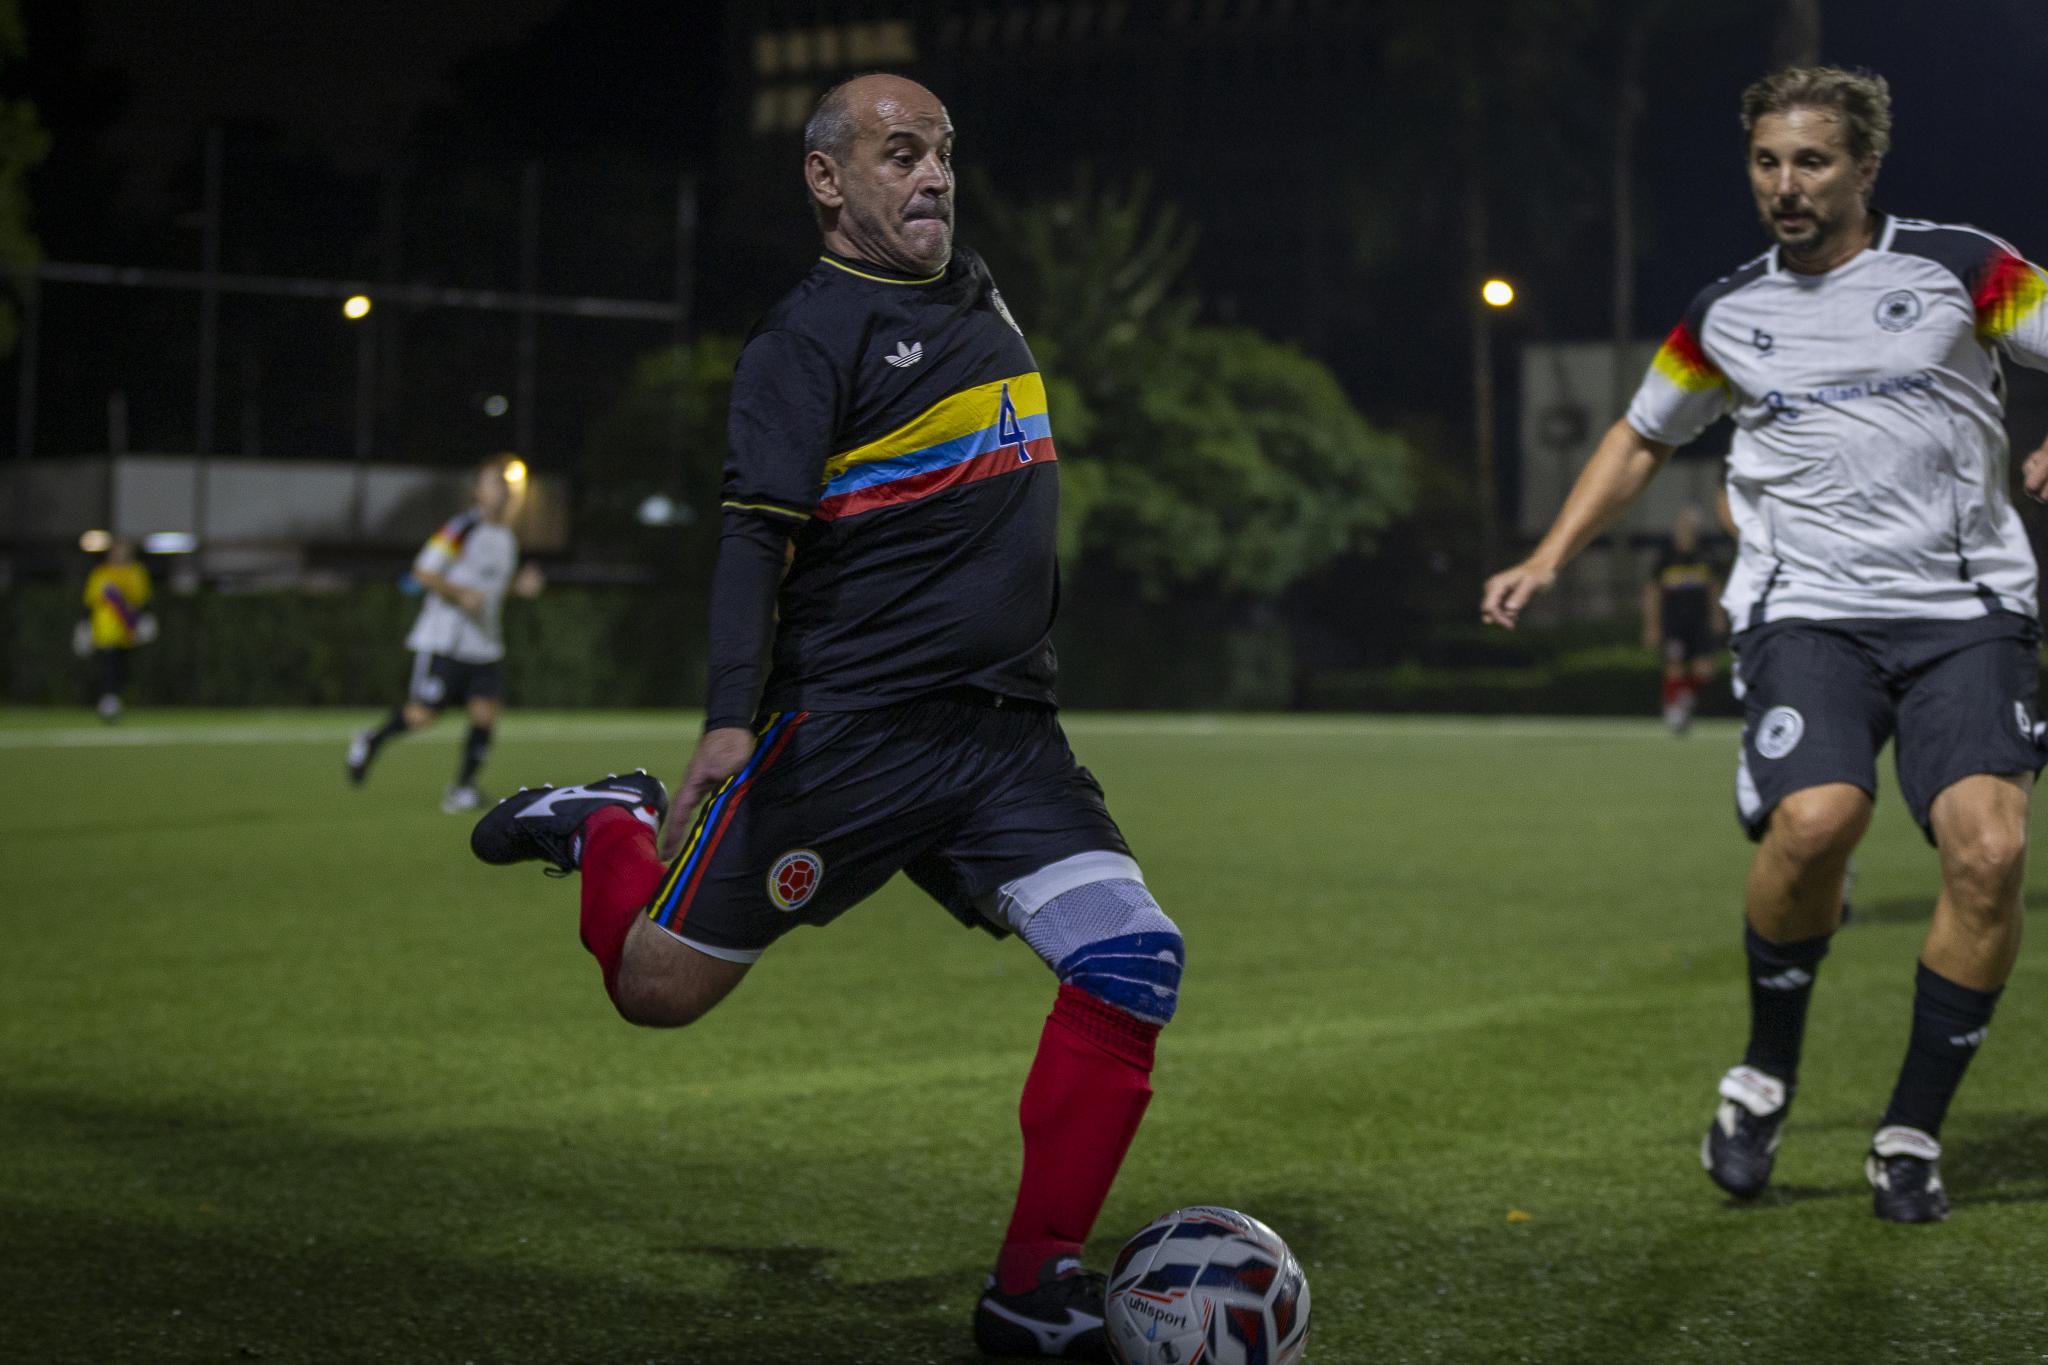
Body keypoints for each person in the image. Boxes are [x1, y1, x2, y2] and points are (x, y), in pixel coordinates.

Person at [469, 75, 1179, 1359]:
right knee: (655, 991)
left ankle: (1031, 1290)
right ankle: (608, 823)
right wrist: (726, 720)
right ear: (824, 178)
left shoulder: (975, 289)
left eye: (942, 153)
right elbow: (754, 539)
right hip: (847, 735)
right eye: (899, 154)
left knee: (1131, 961)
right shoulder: (803, 340)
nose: (933, 176)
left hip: (1006, 739)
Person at [1481, 65, 2048, 1223]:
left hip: (1966, 613)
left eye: (1811, 161)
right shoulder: (1722, 314)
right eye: (1765, 162)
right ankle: (1762, 1078)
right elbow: (1641, 436)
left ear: (1863, 167)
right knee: (1817, 822)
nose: (1785, 186)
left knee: (1987, 855)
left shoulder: (1960, 267)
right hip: (1805, 612)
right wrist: (1548, 556)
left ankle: (1907, 1134)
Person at [348, 457, 542, 812]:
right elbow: (423, 572)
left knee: (485, 714)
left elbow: (494, 590)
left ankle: (462, 789)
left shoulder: (507, 538)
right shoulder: (460, 529)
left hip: (485, 644)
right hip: (446, 641)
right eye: (494, 482)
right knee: (424, 715)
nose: (502, 489)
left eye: (506, 483)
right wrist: (460, 593)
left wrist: (519, 587)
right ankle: (372, 739)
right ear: (477, 492)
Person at [1642, 506, 1727, 734]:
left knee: (1704, 670)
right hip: (1673, 622)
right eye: (1682, 526)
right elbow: (1653, 592)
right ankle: (1673, 710)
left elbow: (1714, 589)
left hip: (1699, 621)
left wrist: (1718, 617)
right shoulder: (1666, 556)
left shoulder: (1706, 555)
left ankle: (1685, 697)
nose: (1686, 530)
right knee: (1675, 668)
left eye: (1690, 527)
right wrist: (1652, 625)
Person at [81, 538, 154, 721]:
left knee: (122, 668)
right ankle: (108, 701)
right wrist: (85, 626)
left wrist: (144, 621)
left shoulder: (135, 572)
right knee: (108, 665)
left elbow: (142, 599)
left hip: (127, 630)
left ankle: (114, 700)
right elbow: (90, 601)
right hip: (106, 629)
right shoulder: (101, 573)